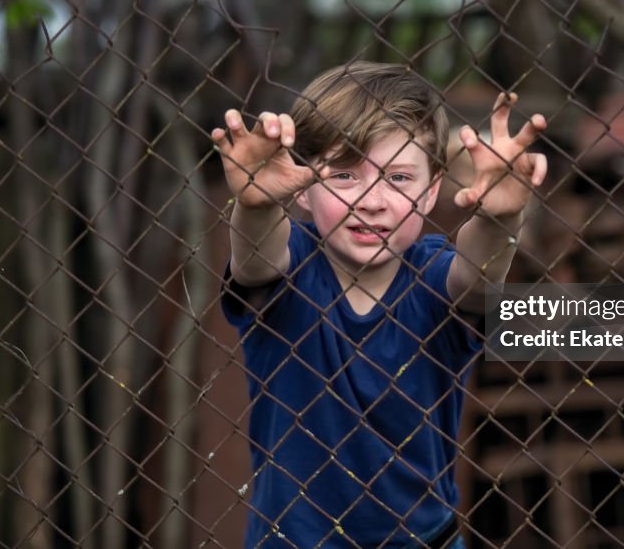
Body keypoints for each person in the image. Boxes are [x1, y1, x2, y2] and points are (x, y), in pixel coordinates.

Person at [213, 62, 547, 548]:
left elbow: (476, 279)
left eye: (398, 177)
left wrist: (501, 218)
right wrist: (258, 204)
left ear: (432, 192)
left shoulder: (434, 277)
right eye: (345, 174)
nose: (371, 200)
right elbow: (257, 259)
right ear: (302, 187)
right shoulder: (292, 269)